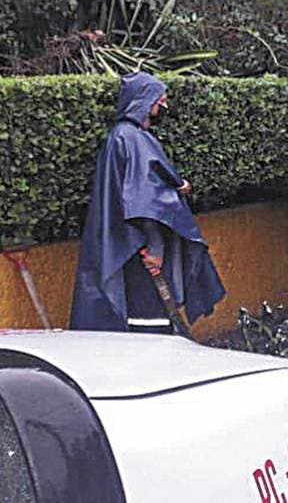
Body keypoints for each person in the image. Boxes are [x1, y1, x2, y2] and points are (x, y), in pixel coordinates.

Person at [71, 72, 225, 334]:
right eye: (159, 101)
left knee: (139, 310)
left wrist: (176, 186)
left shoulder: (121, 138)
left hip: (127, 244)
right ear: (143, 102)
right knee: (149, 316)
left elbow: (146, 186)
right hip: (139, 248)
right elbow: (144, 204)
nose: (162, 107)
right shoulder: (132, 140)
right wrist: (155, 250)